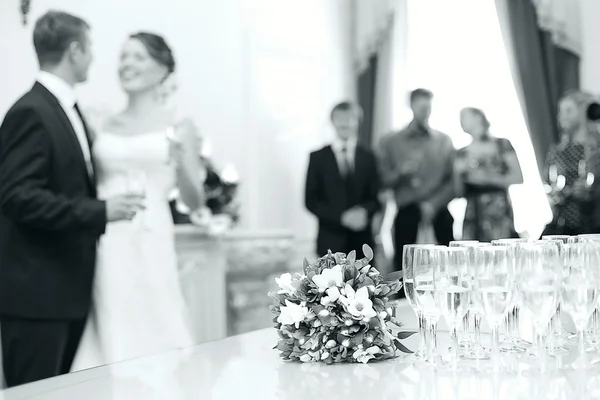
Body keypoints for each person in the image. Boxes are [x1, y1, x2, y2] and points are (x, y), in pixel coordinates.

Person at [0, 11, 144, 387]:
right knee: (33, 392)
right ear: (75, 50)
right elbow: (16, 196)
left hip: (67, 290)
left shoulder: (65, 108)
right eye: (91, 47)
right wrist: (101, 211)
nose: (94, 57)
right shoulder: (31, 111)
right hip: (37, 297)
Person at [70, 31, 205, 371]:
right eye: (123, 57)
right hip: (105, 239)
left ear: (162, 69)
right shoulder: (101, 122)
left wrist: (179, 163)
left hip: (150, 233)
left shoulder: (178, 125)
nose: (127, 64)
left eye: (138, 57)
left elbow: (195, 199)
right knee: (110, 319)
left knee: (157, 313)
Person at [378, 88, 455, 273]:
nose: (425, 111)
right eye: (421, 106)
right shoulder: (391, 142)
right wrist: (400, 172)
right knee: (404, 270)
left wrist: (432, 204)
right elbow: (381, 181)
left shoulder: (444, 141)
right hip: (406, 212)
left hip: (439, 212)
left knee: (449, 268)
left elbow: (453, 181)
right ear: (411, 105)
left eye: (428, 107)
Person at [305, 101, 381, 259]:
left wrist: (363, 211)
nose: (345, 123)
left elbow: (376, 198)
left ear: (358, 122)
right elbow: (311, 201)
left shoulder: (369, 157)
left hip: (362, 243)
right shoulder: (318, 157)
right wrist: (341, 217)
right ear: (332, 122)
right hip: (329, 243)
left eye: (350, 118)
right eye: (340, 118)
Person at [455, 107, 523, 241]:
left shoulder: (502, 145)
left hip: (498, 210)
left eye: (464, 116)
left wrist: (486, 178)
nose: (460, 121)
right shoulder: (461, 153)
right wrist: (457, 173)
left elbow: (518, 177)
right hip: (473, 211)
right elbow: (458, 192)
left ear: (478, 117)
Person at [543, 90, 599, 236]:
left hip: (593, 224)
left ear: (583, 112)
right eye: (560, 111)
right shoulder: (556, 150)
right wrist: (559, 193)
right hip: (563, 224)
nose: (562, 116)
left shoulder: (596, 150)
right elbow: (548, 184)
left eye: (569, 110)